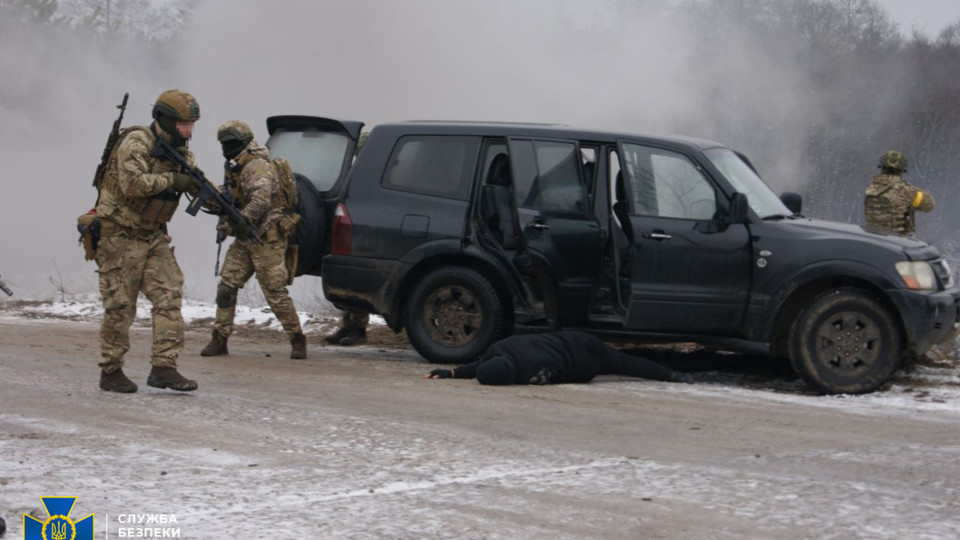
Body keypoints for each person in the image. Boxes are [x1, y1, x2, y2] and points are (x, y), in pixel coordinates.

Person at [94, 89, 201, 393]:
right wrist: (173, 180)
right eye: (183, 124)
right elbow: (131, 184)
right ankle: (111, 370)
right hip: (120, 235)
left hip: (153, 236)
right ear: (165, 120)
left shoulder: (182, 153)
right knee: (120, 306)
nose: (188, 131)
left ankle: (164, 367)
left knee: (169, 296)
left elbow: (192, 181)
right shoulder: (136, 142)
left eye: (191, 124)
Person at [201, 120, 307, 359]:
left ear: (243, 142)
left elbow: (261, 202)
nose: (225, 147)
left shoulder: (257, 166)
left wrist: (237, 221)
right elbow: (234, 197)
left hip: (266, 238)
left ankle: (297, 338)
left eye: (230, 143)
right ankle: (219, 339)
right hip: (246, 237)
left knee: (274, 292)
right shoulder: (236, 166)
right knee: (227, 286)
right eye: (223, 143)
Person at [424, 331, 693, 385]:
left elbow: (553, 369)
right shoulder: (501, 348)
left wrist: (550, 377)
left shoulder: (526, 371)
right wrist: (453, 373)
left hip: (583, 363)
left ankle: (673, 374)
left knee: (626, 365)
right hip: (578, 338)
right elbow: (480, 367)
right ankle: (672, 374)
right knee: (629, 364)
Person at [324, 132, 372, 347]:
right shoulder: (359, 169)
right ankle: (348, 325)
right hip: (349, 227)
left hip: (363, 229)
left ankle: (359, 329)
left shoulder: (373, 170)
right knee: (346, 279)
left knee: (356, 281)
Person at [864, 150, 935, 236]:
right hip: (896, 242)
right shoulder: (906, 191)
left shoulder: (871, 188)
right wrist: (914, 190)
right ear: (902, 169)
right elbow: (929, 205)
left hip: (874, 239)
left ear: (882, 167)